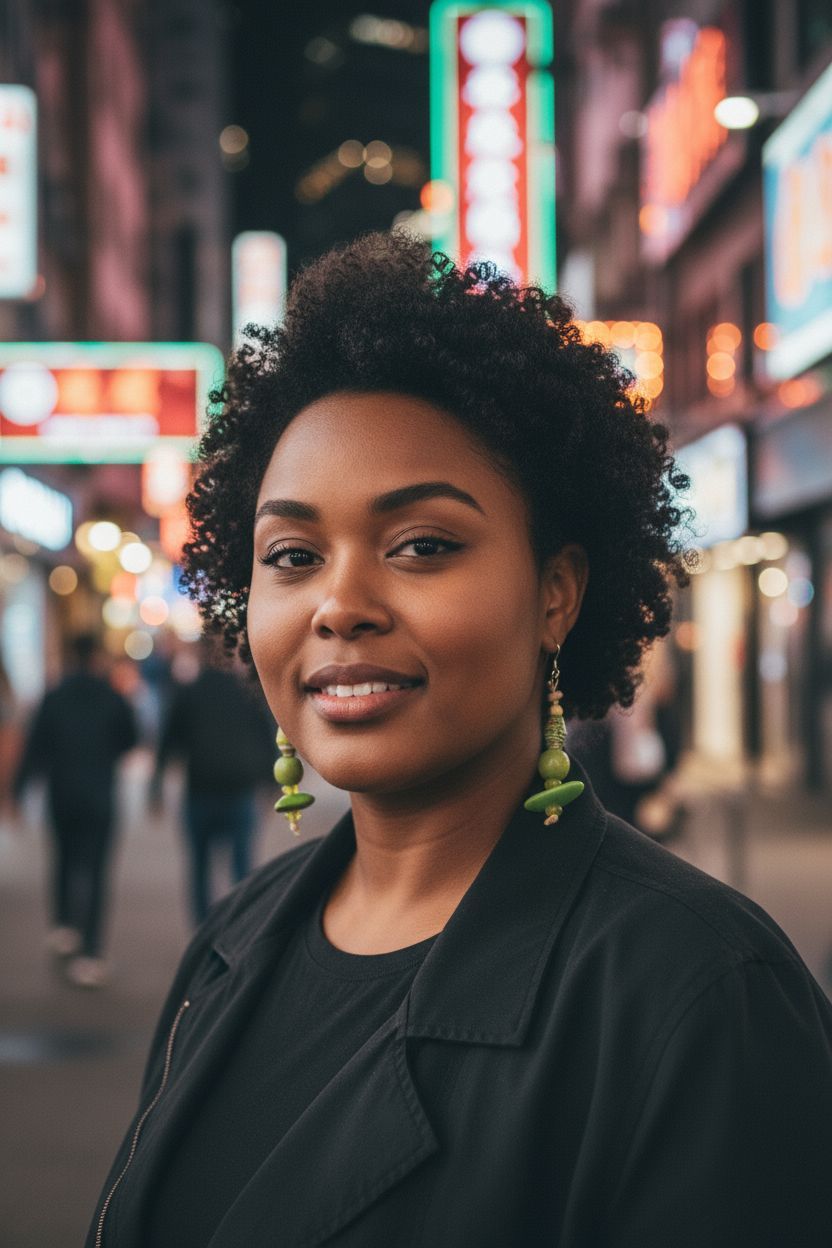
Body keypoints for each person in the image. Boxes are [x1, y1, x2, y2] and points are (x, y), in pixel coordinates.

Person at [87, 234, 832, 1247]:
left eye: (422, 546)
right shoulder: (232, 939)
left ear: (556, 592)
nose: (339, 605)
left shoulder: (697, 994)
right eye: (293, 555)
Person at [14, 633, 138, 988]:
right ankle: (91, 953)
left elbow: (35, 747)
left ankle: (64, 925)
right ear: (96, 657)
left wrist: (19, 793)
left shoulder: (53, 697)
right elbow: (130, 740)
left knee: (64, 858)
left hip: (62, 794)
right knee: (97, 871)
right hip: (100, 795)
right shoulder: (111, 696)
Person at [151, 638, 276, 924]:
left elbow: (167, 743)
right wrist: (272, 782)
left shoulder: (188, 693)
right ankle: (243, 931)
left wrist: (156, 789)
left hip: (200, 792)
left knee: (199, 868)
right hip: (239, 792)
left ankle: (203, 933)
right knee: (242, 868)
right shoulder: (248, 693)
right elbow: (266, 737)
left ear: (201, 655)